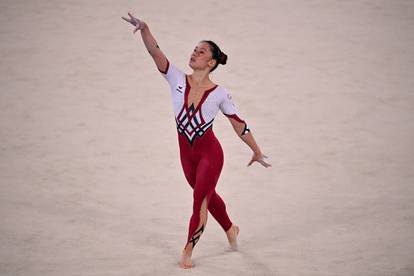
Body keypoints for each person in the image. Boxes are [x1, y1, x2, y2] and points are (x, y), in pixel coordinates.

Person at [122, 12, 271, 269]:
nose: (194, 53)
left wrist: (256, 150)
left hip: (210, 155)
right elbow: (155, 53)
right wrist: (145, 30)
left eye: (200, 52)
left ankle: (187, 250)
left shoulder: (220, 93)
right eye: (194, 50)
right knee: (207, 196)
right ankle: (230, 228)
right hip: (187, 157)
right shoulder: (176, 79)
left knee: (199, 200)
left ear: (212, 62)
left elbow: (238, 124)